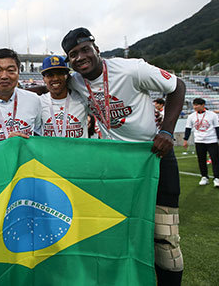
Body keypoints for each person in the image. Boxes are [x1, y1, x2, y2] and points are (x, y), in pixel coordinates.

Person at [61, 27, 186, 285]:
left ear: (96, 49)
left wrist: (167, 131)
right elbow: (51, 88)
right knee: (122, 234)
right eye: (73, 54)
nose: (80, 57)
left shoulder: (131, 69)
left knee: (165, 239)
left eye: (85, 50)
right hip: (117, 166)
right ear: (69, 61)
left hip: (153, 158)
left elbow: (177, 86)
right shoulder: (75, 81)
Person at [39, 55, 87, 138]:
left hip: (79, 151)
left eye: (60, 73)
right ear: (44, 79)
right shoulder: (39, 102)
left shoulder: (82, 99)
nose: (55, 78)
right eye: (50, 75)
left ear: (67, 76)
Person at [183, 98, 219, 188]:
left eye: (197, 105)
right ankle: (204, 176)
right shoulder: (191, 116)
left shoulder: (212, 115)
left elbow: (218, 128)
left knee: (215, 160)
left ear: (203, 105)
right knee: (201, 160)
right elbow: (188, 128)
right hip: (199, 141)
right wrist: (185, 140)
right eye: (194, 105)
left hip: (212, 140)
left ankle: (217, 178)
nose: (195, 107)